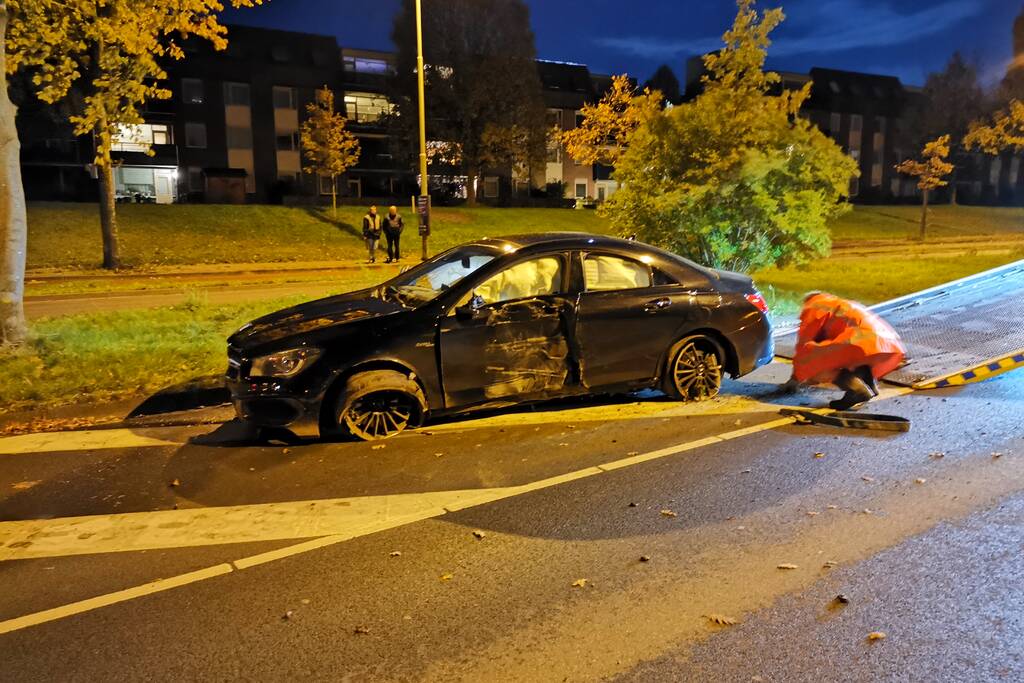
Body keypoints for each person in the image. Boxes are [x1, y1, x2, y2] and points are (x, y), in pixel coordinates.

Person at [785, 291, 906, 410]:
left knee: (812, 360)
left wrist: (796, 378)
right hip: (887, 343)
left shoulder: (813, 306)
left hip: (860, 341)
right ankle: (869, 385)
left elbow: (804, 346)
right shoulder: (838, 304)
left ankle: (856, 390)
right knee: (852, 357)